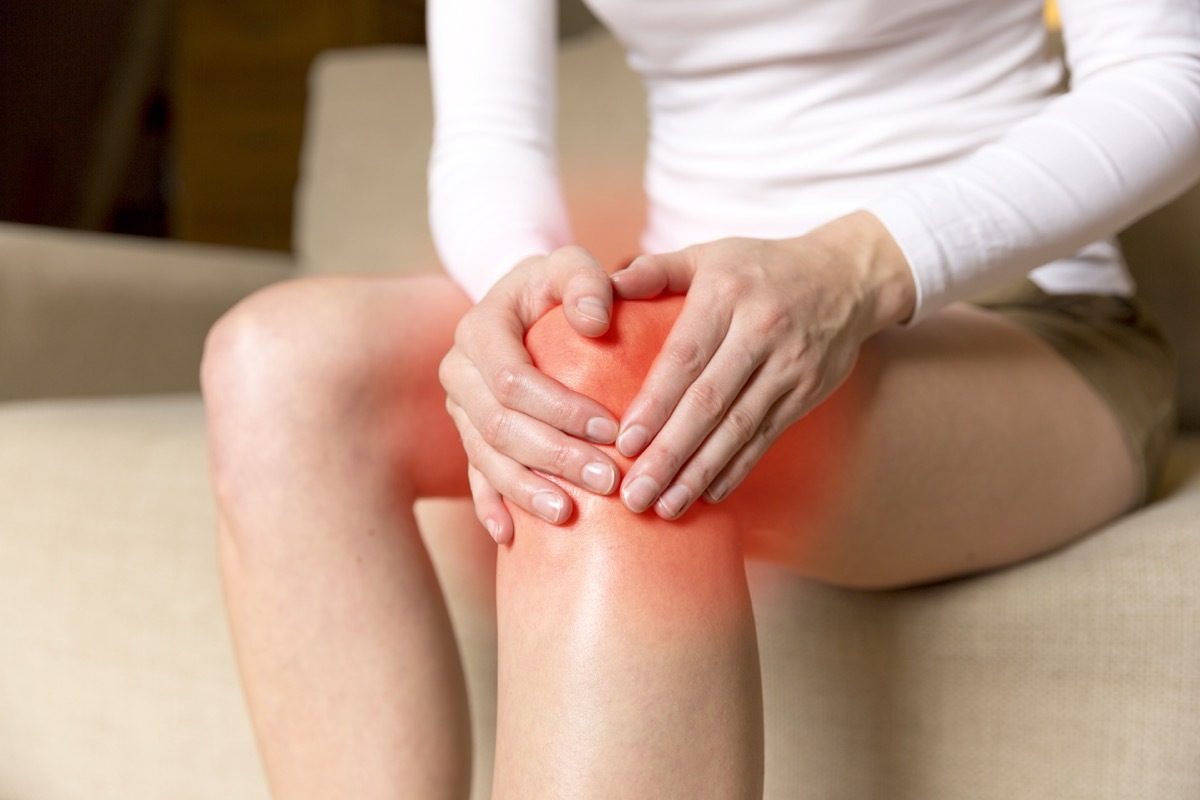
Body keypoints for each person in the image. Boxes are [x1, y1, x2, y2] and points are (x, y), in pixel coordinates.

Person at [200, 0, 1200, 796]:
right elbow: (487, 140)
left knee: (633, 412)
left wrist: (854, 268)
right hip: (669, 316)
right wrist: (532, 298)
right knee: (276, 365)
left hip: (1011, 321)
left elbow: (1172, 77)